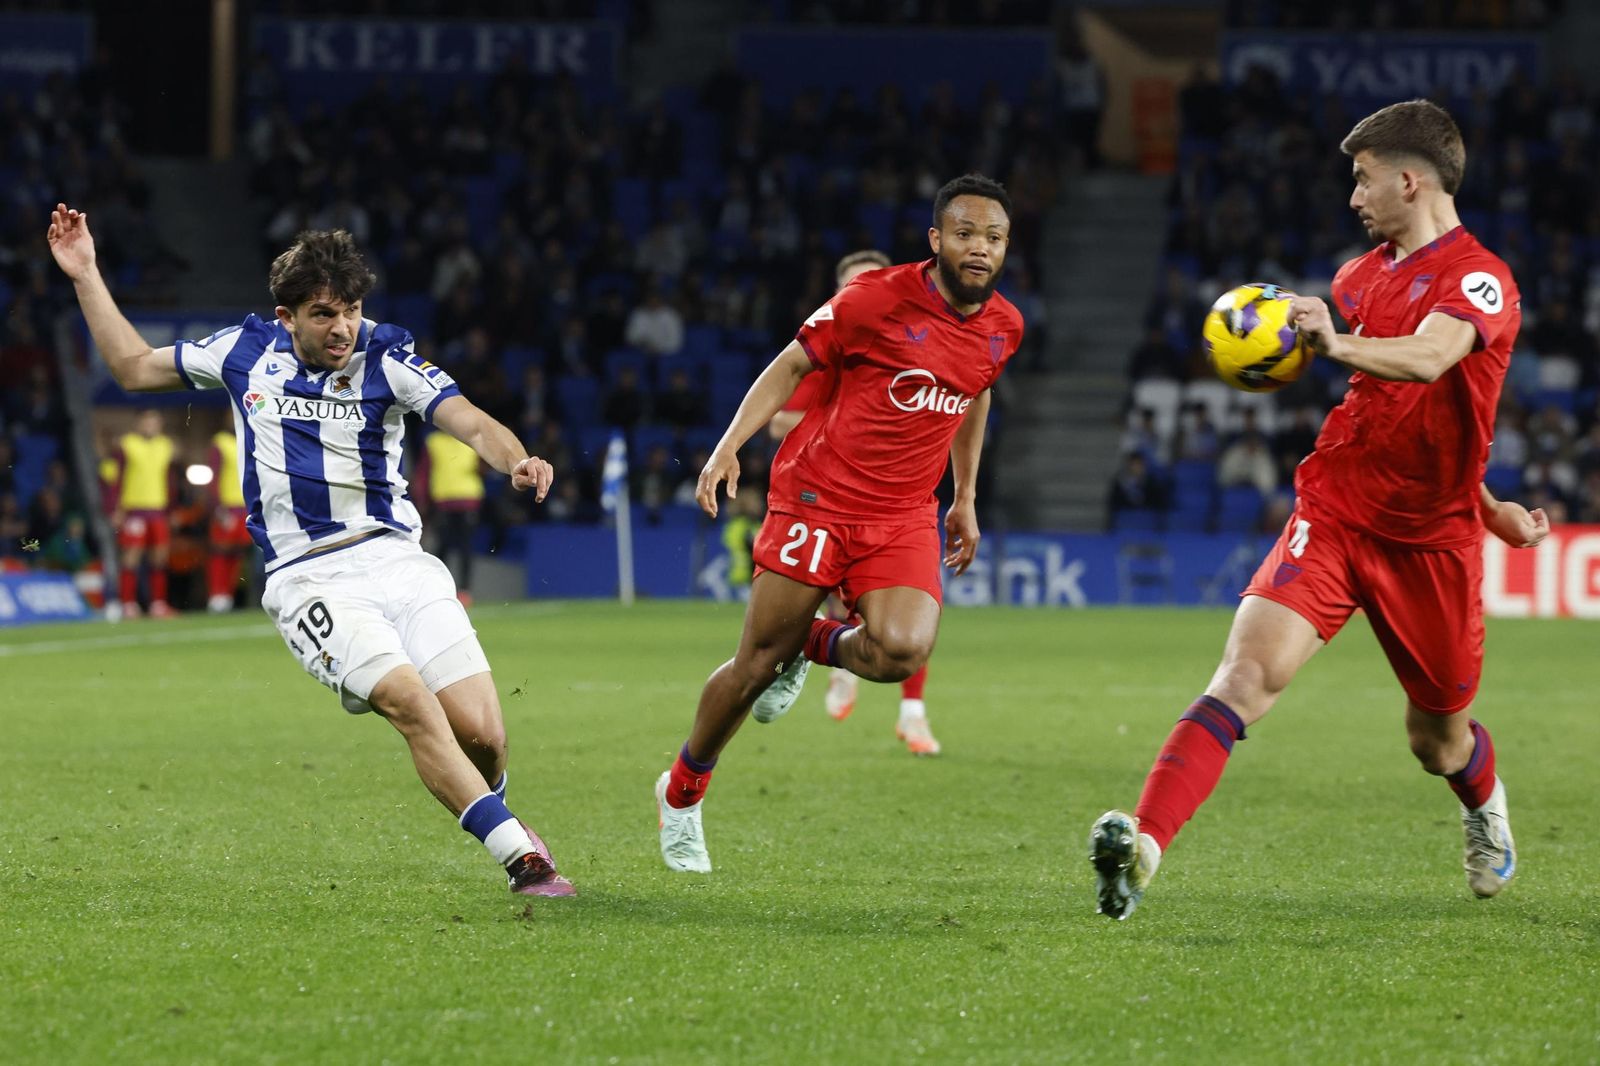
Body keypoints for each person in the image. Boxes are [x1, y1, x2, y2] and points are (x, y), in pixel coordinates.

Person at [1088, 101, 1549, 920]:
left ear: (1411, 181)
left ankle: (1484, 806)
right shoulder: (1358, 278)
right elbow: (1391, 402)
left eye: (1363, 179)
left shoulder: (1480, 279)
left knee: (1436, 740)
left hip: (1429, 541)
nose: (1353, 197)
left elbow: (1435, 360)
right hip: (1335, 508)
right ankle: (1143, 846)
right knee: (1244, 676)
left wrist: (1480, 510)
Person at [48, 206, 574, 898]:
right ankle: (521, 858)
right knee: (409, 702)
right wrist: (85, 272)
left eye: (352, 309)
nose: (342, 328)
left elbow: (469, 418)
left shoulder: (387, 355)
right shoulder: (243, 353)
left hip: (398, 561)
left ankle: (497, 803)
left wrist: (517, 459)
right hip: (310, 579)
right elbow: (132, 367)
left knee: (482, 736)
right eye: (324, 313)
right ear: (287, 315)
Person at [655, 174, 1024, 873]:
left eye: (996, 238)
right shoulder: (876, 298)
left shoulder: (1005, 325)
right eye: (968, 234)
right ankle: (681, 792)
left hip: (904, 514)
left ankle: (812, 644)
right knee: (754, 666)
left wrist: (965, 495)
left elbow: (975, 395)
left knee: (902, 650)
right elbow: (792, 362)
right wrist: (729, 445)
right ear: (937, 239)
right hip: (818, 500)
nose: (981, 248)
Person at [766, 248, 943, 755]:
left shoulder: (924, 351)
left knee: (913, 606)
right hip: (820, 500)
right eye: (850, 286)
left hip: (897, 503)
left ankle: (913, 713)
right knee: (805, 615)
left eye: (870, 283)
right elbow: (779, 412)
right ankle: (830, 656)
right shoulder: (827, 353)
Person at [111, 408, 176, 618]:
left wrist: (171, 509)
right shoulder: (127, 445)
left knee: (159, 557)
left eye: (155, 422)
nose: (151, 426)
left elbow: (170, 479)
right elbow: (116, 478)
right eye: (147, 422)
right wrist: (116, 508)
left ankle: (158, 604)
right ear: (138, 424)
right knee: (131, 557)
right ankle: (128, 604)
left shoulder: (166, 446)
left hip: (158, 509)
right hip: (134, 509)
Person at [205, 422, 252, 612]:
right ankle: (216, 594)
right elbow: (214, 476)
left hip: (244, 506)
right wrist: (217, 506)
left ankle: (228, 596)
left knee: (238, 553)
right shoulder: (221, 442)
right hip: (227, 507)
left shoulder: (250, 438)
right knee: (220, 550)